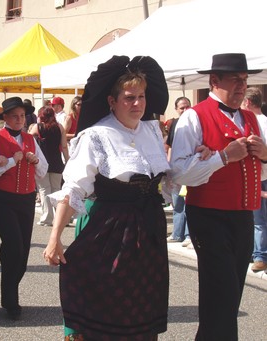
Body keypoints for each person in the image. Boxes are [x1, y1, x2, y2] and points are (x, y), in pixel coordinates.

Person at [44, 55, 175, 340]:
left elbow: (169, 176)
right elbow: (74, 189)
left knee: (143, 306)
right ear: (112, 101)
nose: (137, 103)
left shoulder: (152, 130)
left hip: (149, 231)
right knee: (108, 306)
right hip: (111, 230)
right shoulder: (96, 135)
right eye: (129, 98)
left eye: (141, 96)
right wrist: (55, 238)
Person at [170, 53, 267, 340]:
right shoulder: (194, 116)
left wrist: (265, 156)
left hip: (242, 217)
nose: (242, 86)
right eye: (235, 80)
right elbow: (178, 174)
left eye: (245, 80)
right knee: (221, 294)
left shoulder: (251, 117)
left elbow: (259, 174)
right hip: (209, 216)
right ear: (214, 81)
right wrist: (223, 157)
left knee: (230, 295)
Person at [0, 97, 48, 320]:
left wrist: (34, 161)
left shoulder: (30, 139)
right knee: (14, 244)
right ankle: (11, 300)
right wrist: (9, 161)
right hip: (3, 199)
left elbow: (43, 170)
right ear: (5, 118)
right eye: (14, 116)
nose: (19, 120)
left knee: (23, 251)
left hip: (26, 199)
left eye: (22, 116)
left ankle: (10, 289)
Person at [242, 87, 267, 272]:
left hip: (259, 175)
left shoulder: (258, 122)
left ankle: (260, 255)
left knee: (259, 220)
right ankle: (257, 252)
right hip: (261, 174)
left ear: (248, 102)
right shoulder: (265, 121)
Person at [29, 106, 69, 226]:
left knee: (44, 189)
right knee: (57, 189)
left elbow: (28, 140)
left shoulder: (38, 127)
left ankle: (47, 218)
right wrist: (67, 161)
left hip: (42, 163)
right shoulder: (60, 127)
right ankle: (59, 217)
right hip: (57, 162)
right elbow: (64, 146)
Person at [165, 97, 192, 247]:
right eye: (182, 108)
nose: (185, 110)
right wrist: (169, 167)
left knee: (188, 203)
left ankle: (188, 235)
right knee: (177, 203)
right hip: (176, 169)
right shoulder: (174, 123)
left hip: (189, 168)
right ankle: (177, 233)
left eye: (187, 106)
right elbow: (169, 146)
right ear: (176, 109)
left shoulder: (194, 122)